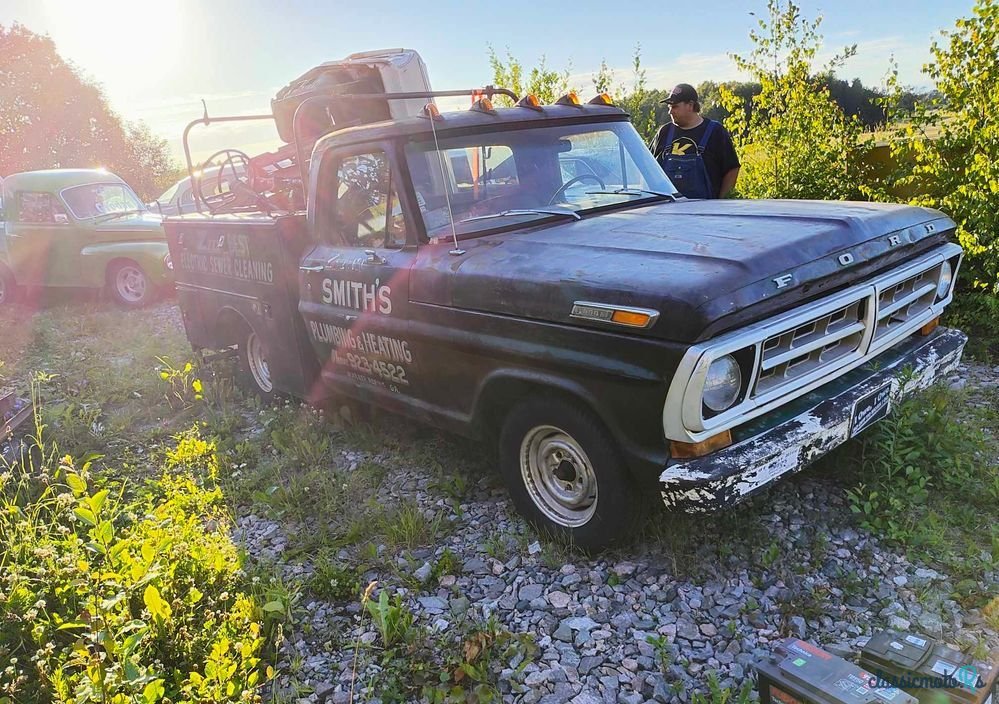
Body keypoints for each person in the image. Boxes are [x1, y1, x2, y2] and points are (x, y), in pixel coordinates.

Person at [650, 83, 740, 199]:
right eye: (669, 107)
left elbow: (732, 169)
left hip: (705, 212)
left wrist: (721, 202)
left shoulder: (715, 132)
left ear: (690, 105)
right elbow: (647, 167)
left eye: (675, 106)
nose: (670, 112)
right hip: (667, 211)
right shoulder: (664, 132)